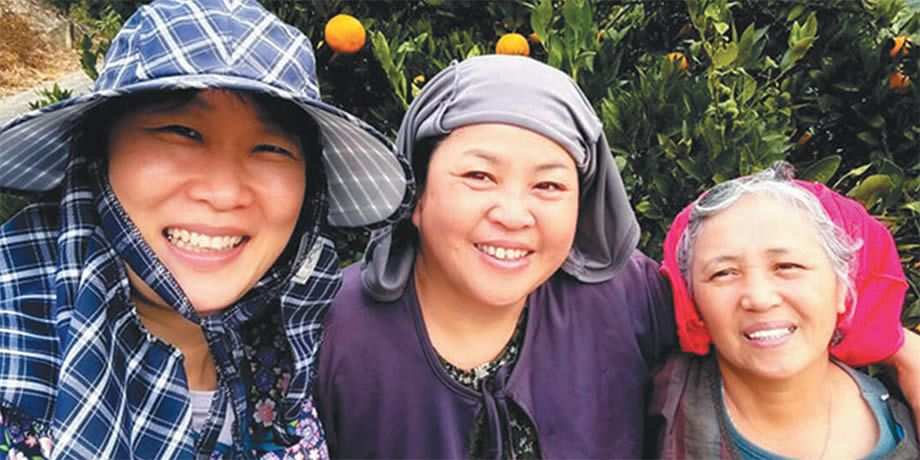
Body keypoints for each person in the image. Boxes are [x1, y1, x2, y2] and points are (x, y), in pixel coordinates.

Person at [313, 55, 920, 458]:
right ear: (416, 193)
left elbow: (750, 311)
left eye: (549, 185)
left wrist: (896, 346)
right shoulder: (326, 327)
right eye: (478, 176)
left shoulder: (623, 299)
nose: (513, 212)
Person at [0, 0, 410, 458]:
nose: (223, 193)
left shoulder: (283, 347)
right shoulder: (17, 362)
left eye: (271, 148)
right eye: (181, 131)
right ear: (98, 156)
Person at [652, 162, 918, 458]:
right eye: (724, 273)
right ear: (694, 303)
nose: (760, 298)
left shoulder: (902, 423)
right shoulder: (654, 412)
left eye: (787, 266)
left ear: (843, 287)